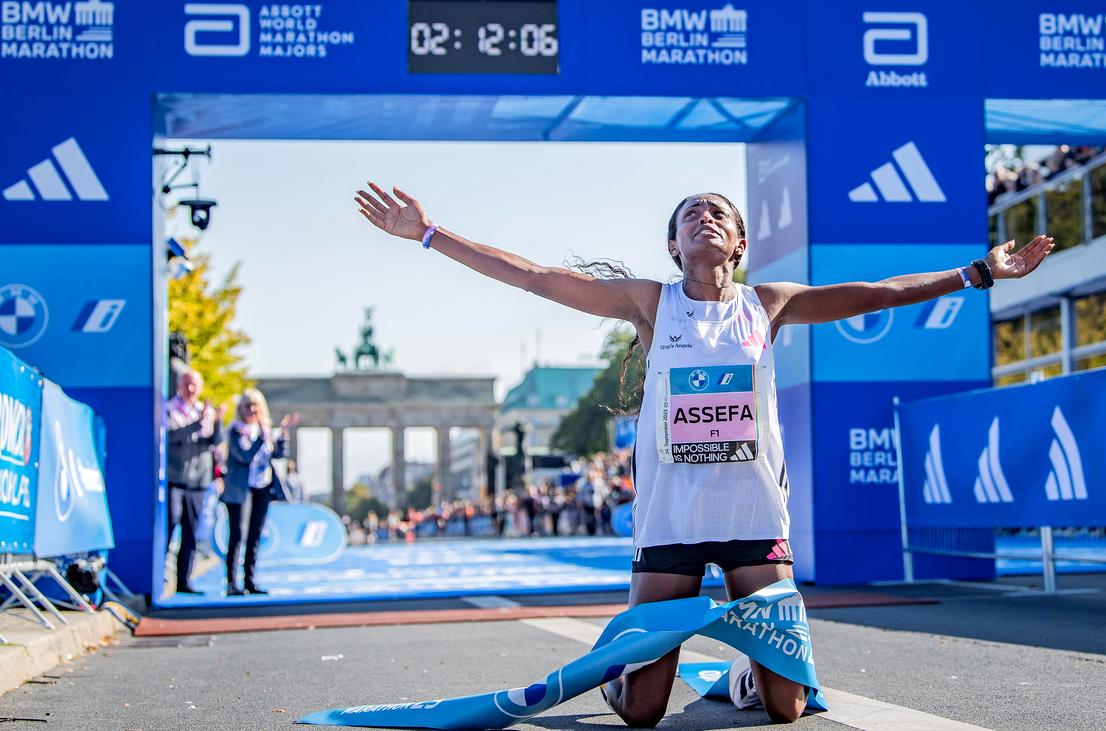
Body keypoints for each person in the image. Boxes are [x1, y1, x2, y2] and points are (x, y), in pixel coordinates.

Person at [354, 182, 1053, 725]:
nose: (704, 217)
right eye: (689, 214)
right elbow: (536, 277)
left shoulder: (766, 304)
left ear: (739, 242)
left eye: (717, 212)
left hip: (754, 519)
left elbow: (871, 294)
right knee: (642, 711)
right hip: (671, 524)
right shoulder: (651, 303)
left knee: (783, 707)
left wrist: (976, 274)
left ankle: (748, 673)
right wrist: (428, 233)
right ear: (673, 247)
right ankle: (630, 659)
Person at [223, 388, 299, 596]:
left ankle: (250, 579)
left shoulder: (264, 430)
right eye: (247, 405)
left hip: (263, 487)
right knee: (238, 534)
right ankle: (231, 581)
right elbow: (244, 456)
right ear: (241, 409)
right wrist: (262, 438)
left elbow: (277, 455)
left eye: (255, 405)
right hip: (240, 489)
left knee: (255, 535)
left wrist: (282, 437)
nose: (252, 409)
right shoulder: (236, 430)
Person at [164, 369, 225, 595]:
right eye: (186, 384)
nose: (190, 389)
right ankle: (159, 576)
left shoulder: (206, 411)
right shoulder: (169, 409)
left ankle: (184, 580)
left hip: (199, 481)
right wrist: (195, 426)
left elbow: (216, 443)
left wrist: (216, 422)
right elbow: (169, 437)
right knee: (170, 525)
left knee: (191, 531)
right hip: (175, 479)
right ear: (179, 386)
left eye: (194, 385)